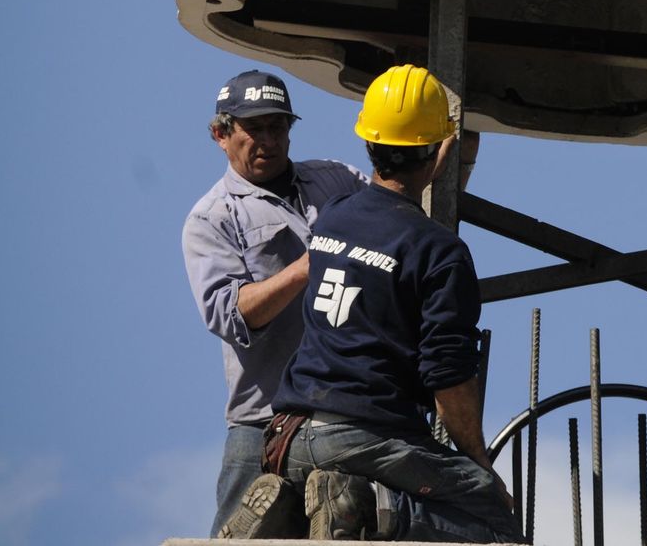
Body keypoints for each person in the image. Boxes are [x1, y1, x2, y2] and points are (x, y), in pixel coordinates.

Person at [229, 63, 518, 542]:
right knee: (492, 517)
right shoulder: (440, 252)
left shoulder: (334, 218)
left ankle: (290, 506)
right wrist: (479, 463)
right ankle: (367, 508)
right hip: (361, 438)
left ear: (368, 142)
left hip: (288, 437)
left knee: (335, 490)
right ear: (440, 151)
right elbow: (448, 379)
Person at [182, 69, 366, 537]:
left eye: (278, 127)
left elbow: (399, 216)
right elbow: (232, 313)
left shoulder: (336, 180)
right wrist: (312, 264)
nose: (269, 140)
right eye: (254, 129)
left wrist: (449, 156)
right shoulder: (213, 218)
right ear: (220, 134)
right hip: (264, 424)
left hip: (348, 411)